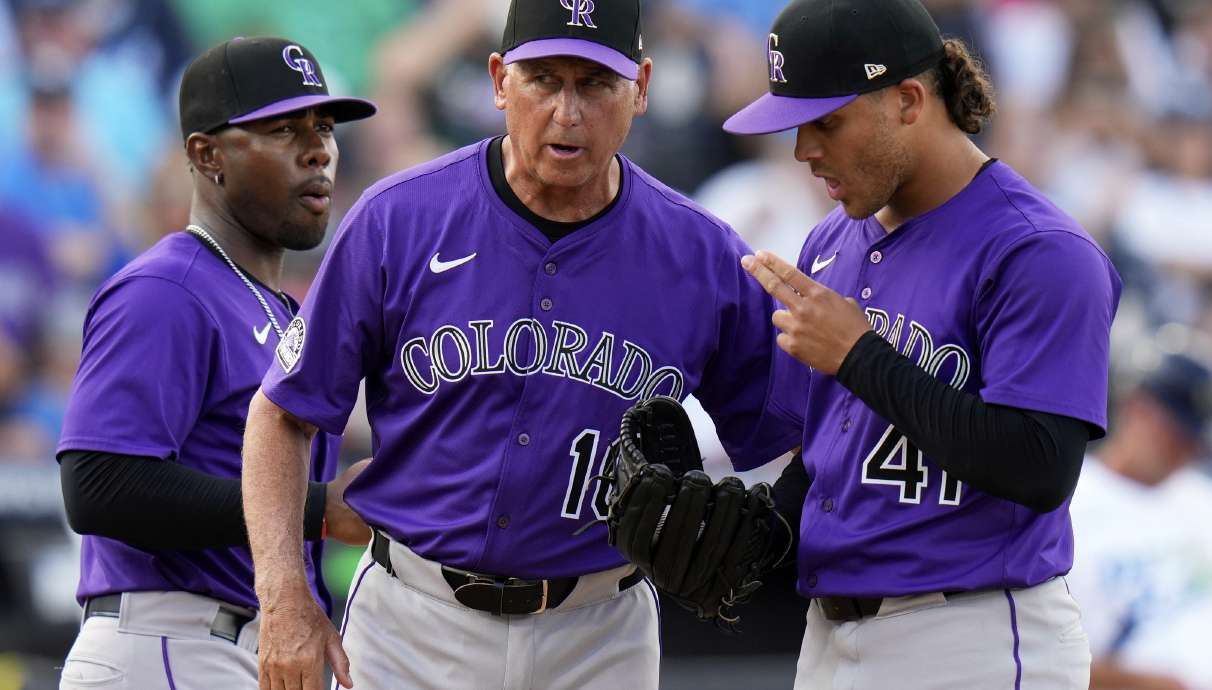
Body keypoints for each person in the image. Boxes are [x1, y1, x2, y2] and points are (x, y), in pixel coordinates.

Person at [239, 0, 803, 688]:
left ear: (643, 88)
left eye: (596, 83)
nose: (568, 111)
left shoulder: (703, 255)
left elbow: (791, 437)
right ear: (500, 79)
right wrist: (284, 597)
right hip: (411, 621)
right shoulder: (399, 219)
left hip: (599, 632)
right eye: (543, 80)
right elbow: (281, 414)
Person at [724, 0, 1122, 687]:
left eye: (826, 122)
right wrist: (751, 531)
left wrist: (860, 355)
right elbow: (830, 454)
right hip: (828, 636)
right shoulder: (830, 240)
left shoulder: (1037, 251)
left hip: (973, 635)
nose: (803, 150)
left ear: (908, 99)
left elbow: (1039, 467)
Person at [55, 36, 376, 689]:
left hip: (238, 643)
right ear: (207, 155)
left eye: (322, 127)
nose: (317, 149)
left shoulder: (280, 309)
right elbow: (98, 484)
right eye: (282, 130)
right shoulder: (167, 288)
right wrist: (318, 507)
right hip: (168, 641)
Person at [1068, 349, 1212, 690]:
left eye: (1195, 442)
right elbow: (1038, 656)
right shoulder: (1065, 506)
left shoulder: (1211, 503)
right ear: (1136, 408)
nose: (1188, 453)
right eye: (1178, 435)